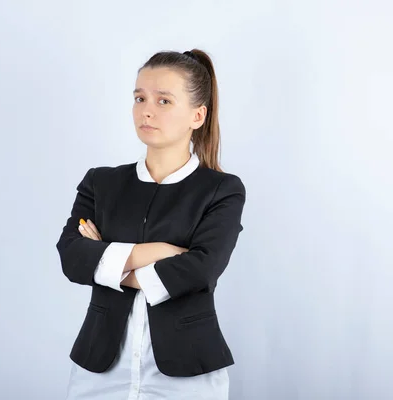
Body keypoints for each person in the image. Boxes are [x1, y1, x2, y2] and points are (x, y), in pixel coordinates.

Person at [55, 49, 246, 400]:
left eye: (164, 101)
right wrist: (158, 251)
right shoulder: (101, 183)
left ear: (197, 115)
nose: (146, 109)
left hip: (187, 371)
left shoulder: (222, 190)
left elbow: (201, 269)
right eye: (140, 98)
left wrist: (108, 264)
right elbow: (71, 256)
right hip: (99, 367)